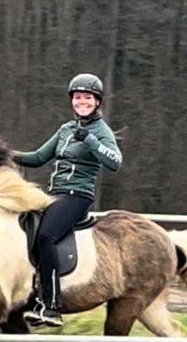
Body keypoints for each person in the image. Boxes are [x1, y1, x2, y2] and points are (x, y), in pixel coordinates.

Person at [12, 72, 123, 327]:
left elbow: (115, 162)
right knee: (25, 227)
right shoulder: (66, 129)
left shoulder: (101, 131)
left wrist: (92, 141)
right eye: (77, 97)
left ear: (97, 102)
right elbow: (39, 157)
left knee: (45, 236)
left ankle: (51, 306)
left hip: (78, 196)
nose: (81, 101)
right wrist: (6, 154)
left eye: (87, 97)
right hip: (55, 194)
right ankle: (31, 295)